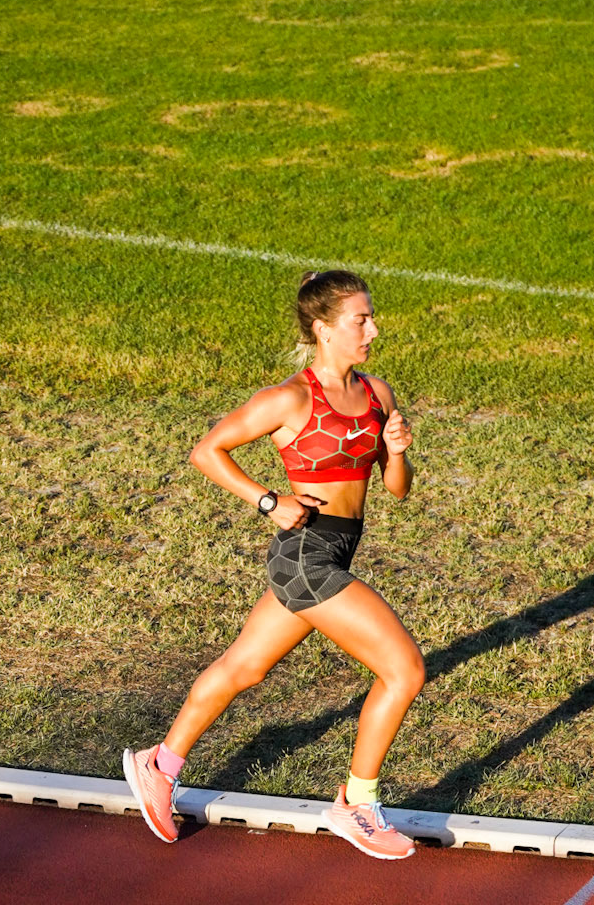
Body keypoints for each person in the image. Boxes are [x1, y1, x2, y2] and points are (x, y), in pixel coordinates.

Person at [123, 269, 425, 861]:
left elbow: (397, 490)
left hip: (337, 547)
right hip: (306, 557)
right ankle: (357, 804)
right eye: (360, 319)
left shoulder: (378, 393)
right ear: (323, 328)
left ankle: (159, 765)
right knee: (404, 669)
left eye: (371, 316)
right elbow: (207, 451)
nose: (373, 328)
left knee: (245, 666)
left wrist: (397, 451)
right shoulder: (290, 398)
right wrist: (268, 501)